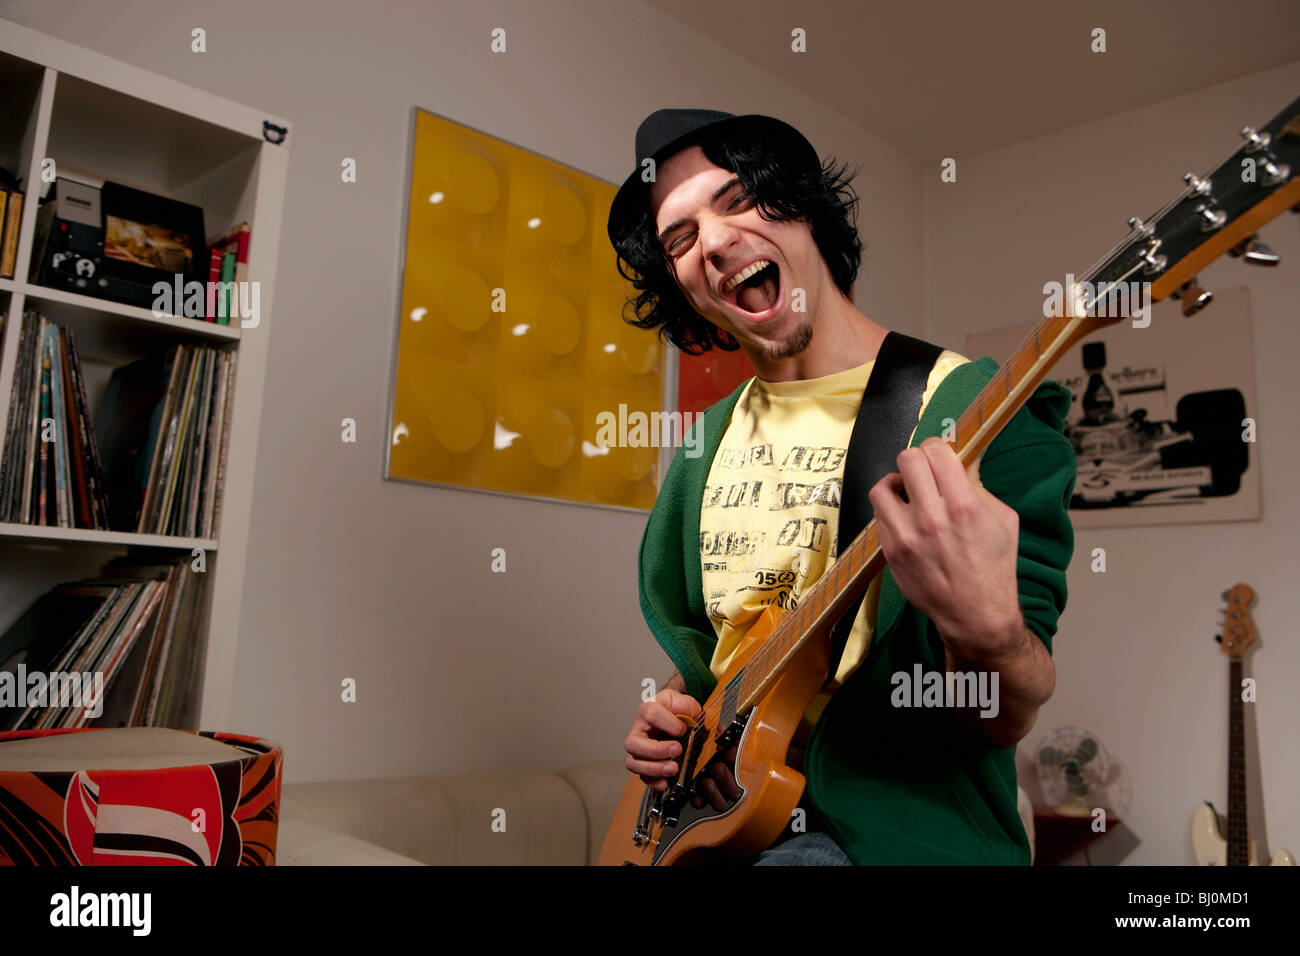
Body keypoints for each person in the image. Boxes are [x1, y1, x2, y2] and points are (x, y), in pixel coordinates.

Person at [605, 109, 1076, 865]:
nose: (717, 243)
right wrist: (673, 721)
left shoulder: (979, 412)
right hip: (716, 826)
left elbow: (1009, 706)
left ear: (803, 209)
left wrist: (987, 635)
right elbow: (721, 654)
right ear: (682, 287)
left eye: (736, 200)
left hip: (889, 835)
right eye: (681, 238)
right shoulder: (706, 444)